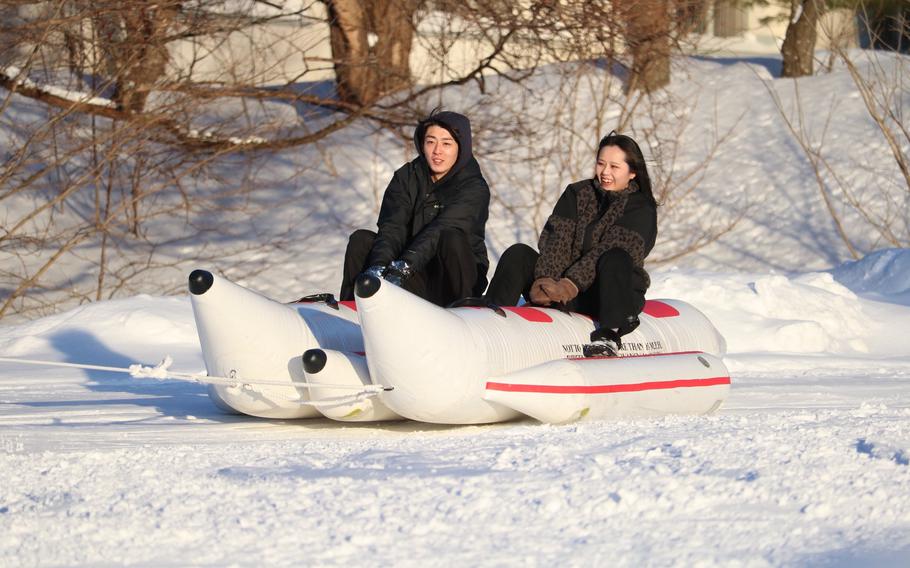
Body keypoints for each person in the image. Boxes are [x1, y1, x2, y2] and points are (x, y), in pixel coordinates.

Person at [484, 132, 658, 357]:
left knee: (615, 257)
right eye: (601, 163)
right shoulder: (577, 193)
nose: (605, 172)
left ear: (632, 172)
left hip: (607, 294)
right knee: (518, 254)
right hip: (563, 292)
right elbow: (557, 239)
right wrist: (547, 282)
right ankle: (489, 317)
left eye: (614, 167)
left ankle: (609, 334)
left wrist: (568, 284)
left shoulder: (641, 208)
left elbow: (604, 251)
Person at [339, 110, 490, 306]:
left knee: (450, 238)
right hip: (413, 276)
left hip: (453, 279)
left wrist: (403, 267)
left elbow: (441, 228)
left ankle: (464, 313)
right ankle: (353, 313)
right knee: (361, 240)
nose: (437, 151)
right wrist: (377, 268)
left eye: (446, 143)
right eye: (430, 142)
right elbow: (393, 228)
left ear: (461, 148)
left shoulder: (474, 187)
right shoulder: (406, 177)